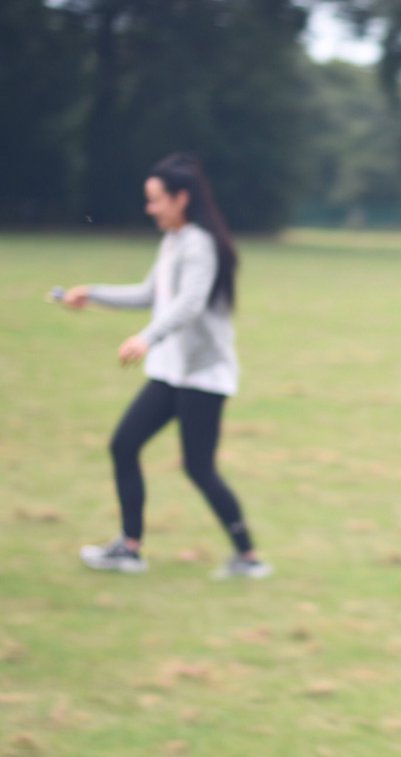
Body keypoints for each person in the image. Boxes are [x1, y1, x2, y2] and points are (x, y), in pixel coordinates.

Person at [63, 152, 271, 579]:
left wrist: (147, 337)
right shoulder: (174, 240)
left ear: (181, 198)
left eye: (156, 200)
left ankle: (248, 558)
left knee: (198, 468)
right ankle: (130, 548)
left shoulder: (200, 244)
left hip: (203, 377)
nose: (149, 208)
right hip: (172, 372)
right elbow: (148, 295)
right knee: (124, 445)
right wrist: (94, 293)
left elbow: (190, 305)